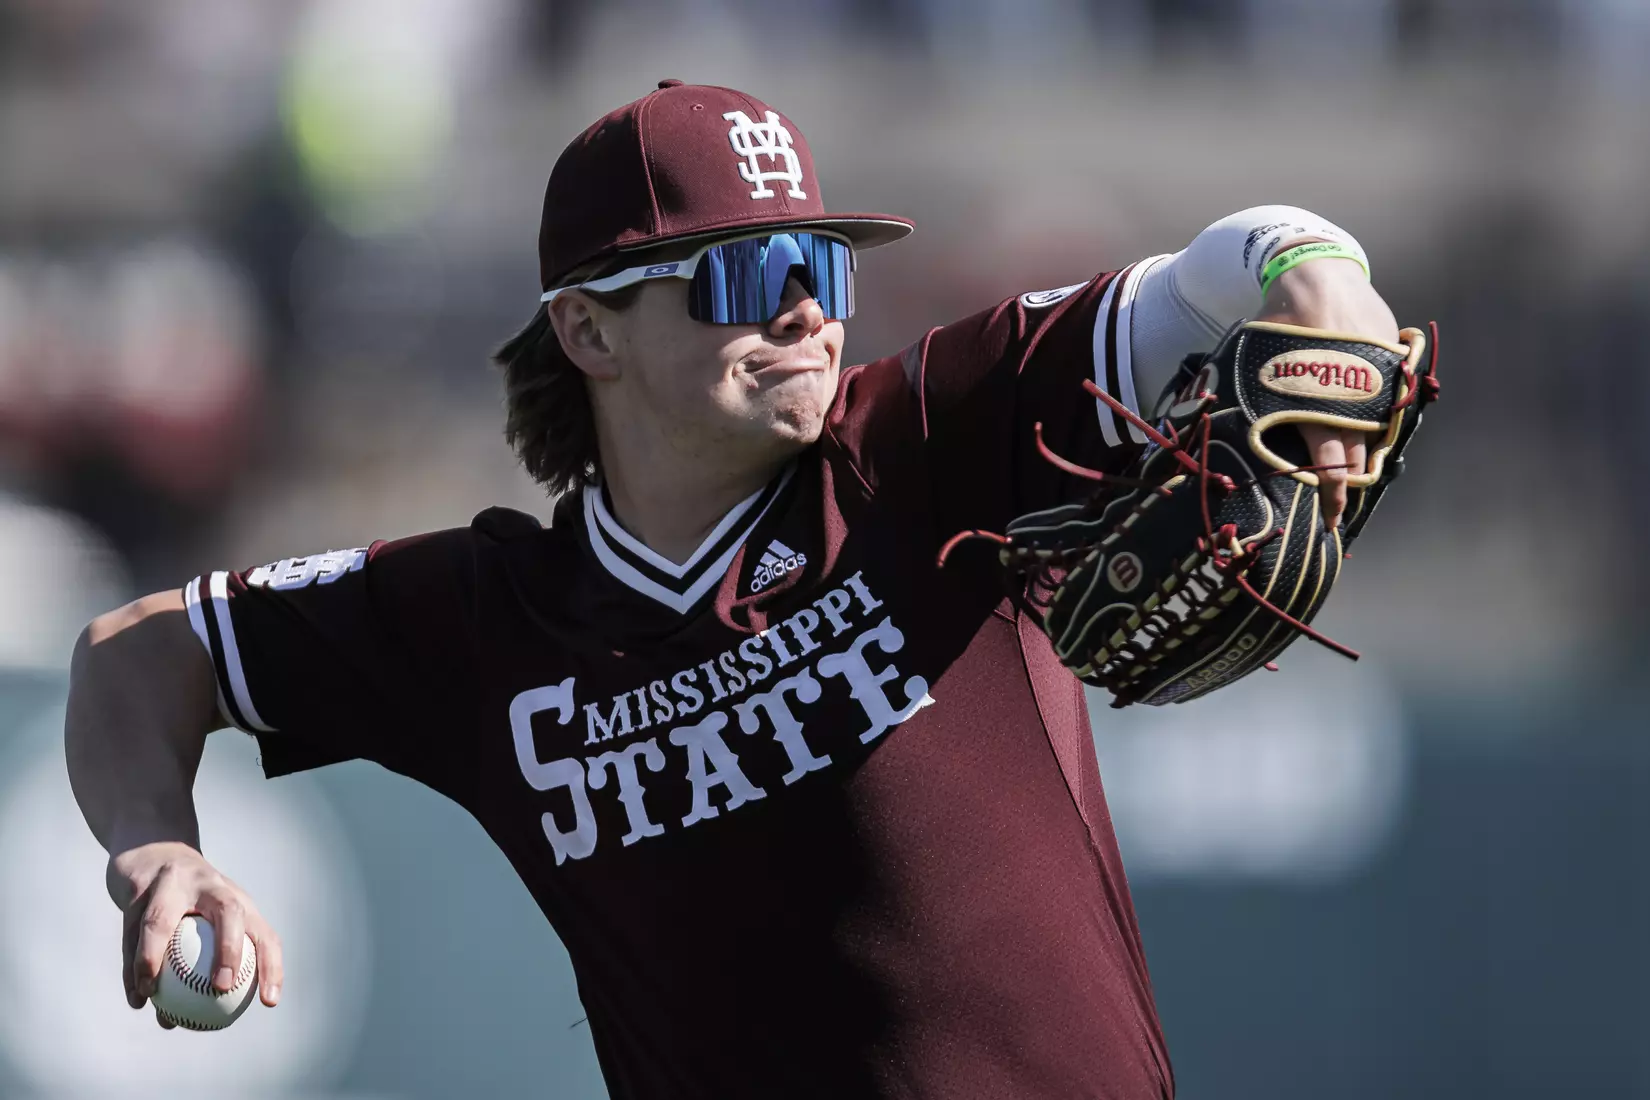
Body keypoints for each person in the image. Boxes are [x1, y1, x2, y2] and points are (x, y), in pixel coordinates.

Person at [66, 80, 1401, 1099]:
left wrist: (1322, 290)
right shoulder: (485, 625)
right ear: (588, 328)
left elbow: (1248, 257)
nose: (809, 312)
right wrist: (156, 851)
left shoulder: (931, 440)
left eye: (821, 269)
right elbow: (135, 655)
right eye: (750, 276)